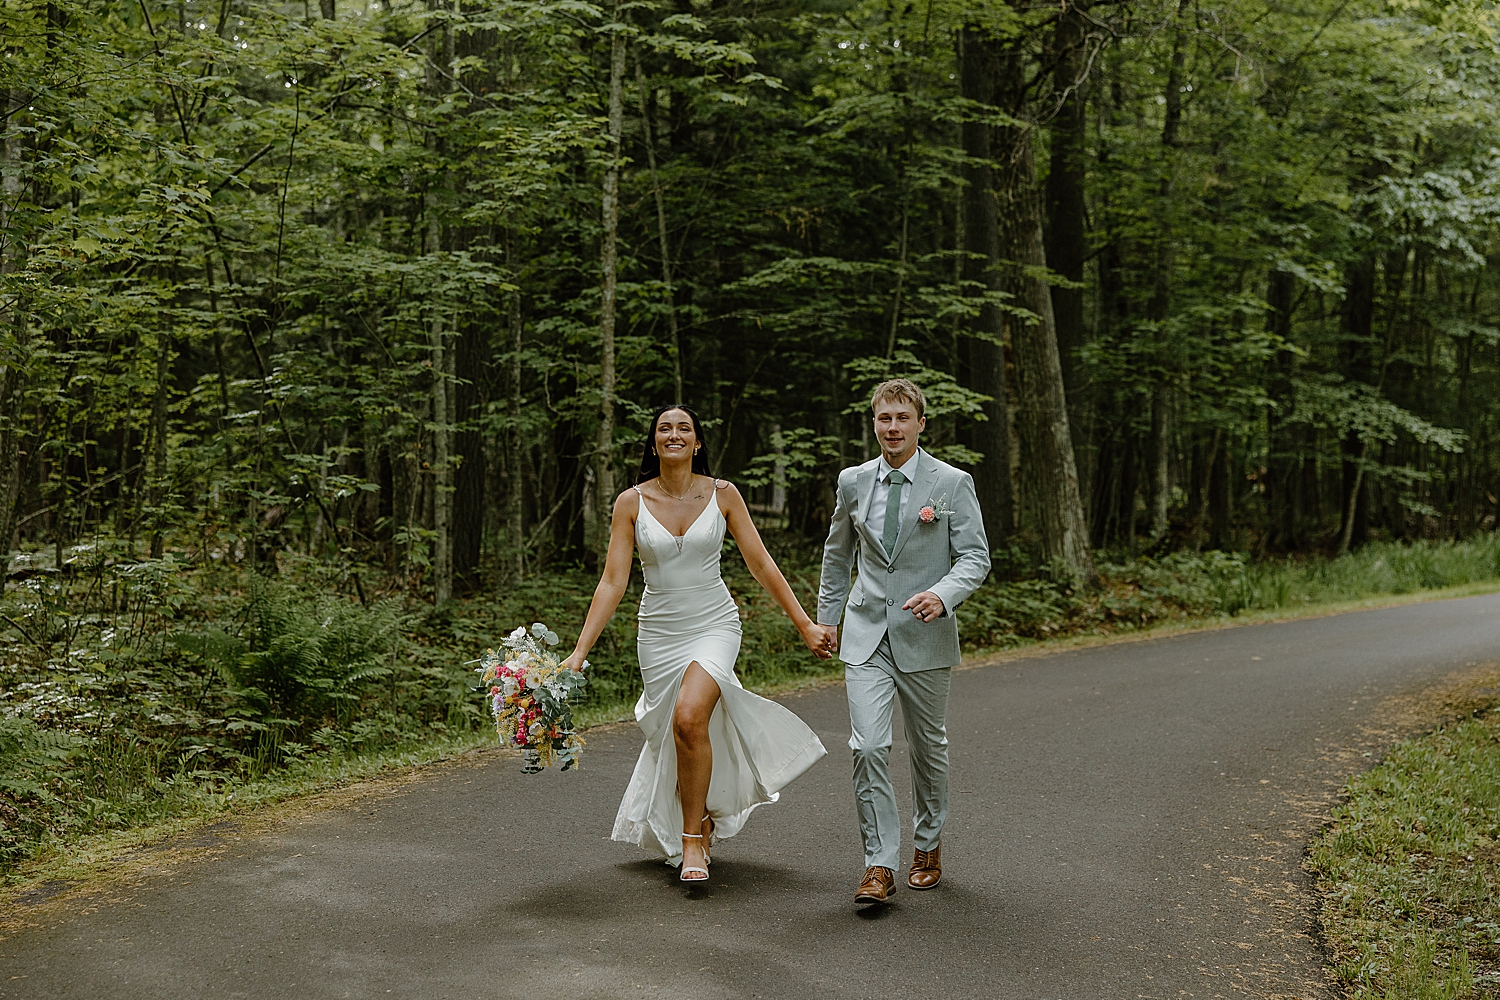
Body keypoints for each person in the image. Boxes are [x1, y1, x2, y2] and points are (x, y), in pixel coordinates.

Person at [562, 404, 830, 882]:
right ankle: (701, 817)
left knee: (690, 716)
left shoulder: (723, 495)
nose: (674, 434)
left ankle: (691, 844)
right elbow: (612, 582)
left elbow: (761, 564)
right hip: (659, 633)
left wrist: (805, 624)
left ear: (697, 442)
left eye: (683, 428)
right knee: (681, 732)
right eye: (664, 428)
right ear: (653, 443)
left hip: (715, 624)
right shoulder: (630, 502)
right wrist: (579, 653)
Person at [815, 378, 991, 905]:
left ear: (920, 424)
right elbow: (836, 554)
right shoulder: (853, 481)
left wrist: (942, 594)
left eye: (901, 419)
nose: (892, 428)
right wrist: (827, 619)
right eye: (883, 419)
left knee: (927, 745)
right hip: (867, 633)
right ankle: (878, 864)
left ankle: (928, 843)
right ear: (874, 423)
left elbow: (976, 558)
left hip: (925, 634)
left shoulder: (951, 483)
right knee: (868, 745)